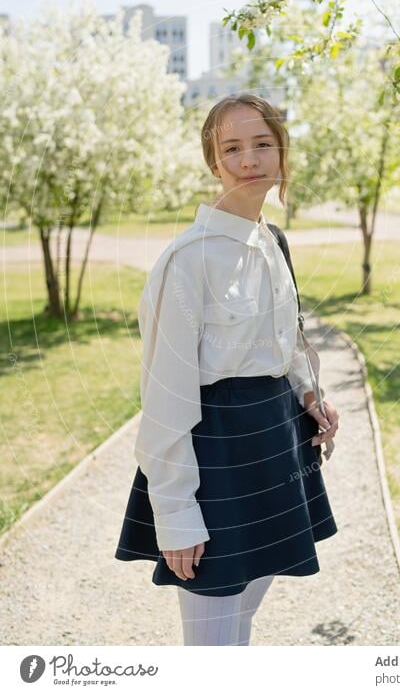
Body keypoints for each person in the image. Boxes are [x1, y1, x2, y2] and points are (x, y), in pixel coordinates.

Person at [115, 93, 340, 645]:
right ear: (213, 162)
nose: (249, 160)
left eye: (263, 144)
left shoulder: (273, 241)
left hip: (275, 445)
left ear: (282, 152)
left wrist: (310, 396)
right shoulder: (187, 260)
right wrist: (176, 514)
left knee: (243, 619)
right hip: (214, 458)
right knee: (212, 644)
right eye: (232, 148)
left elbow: (283, 338)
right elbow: (164, 396)